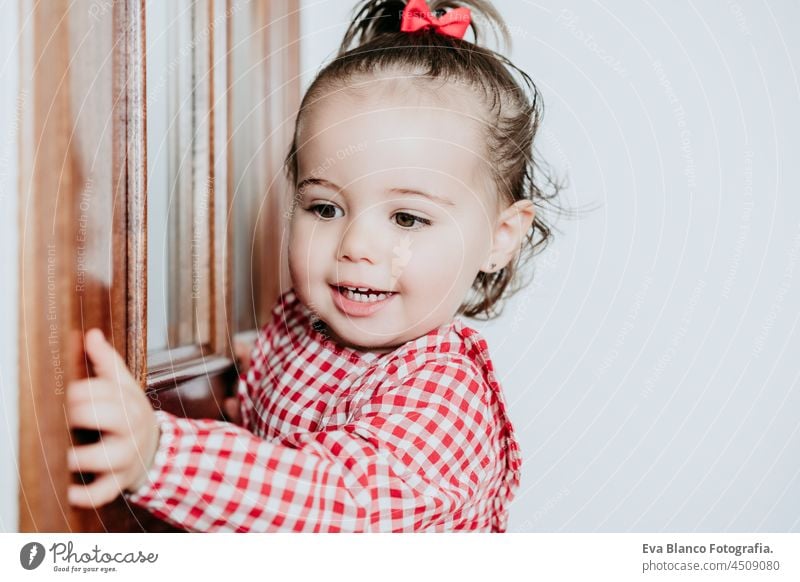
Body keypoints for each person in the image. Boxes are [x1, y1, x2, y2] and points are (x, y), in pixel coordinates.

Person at [66, 0, 564, 532]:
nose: (355, 245)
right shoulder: (302, 325)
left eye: (408, 218)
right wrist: (251, 385)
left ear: (500, 236)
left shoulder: (444, 398)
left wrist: (159, 454)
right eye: (325, 208)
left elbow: (333, 504)